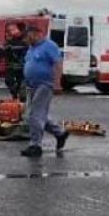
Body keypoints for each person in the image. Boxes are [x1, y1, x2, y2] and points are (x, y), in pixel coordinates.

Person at [20, 25, 69, 157]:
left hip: (44, 84)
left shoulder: (49, 46)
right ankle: (60, 133)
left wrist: (57, 83)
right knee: (34, 115)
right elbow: (29, 65)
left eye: (26, 37)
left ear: (34, 33)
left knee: (34, 115)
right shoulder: (31, 48)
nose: (25, 40)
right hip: (31, 86)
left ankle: (35, 145)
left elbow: (58, 64)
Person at [0, 22, 28, 99]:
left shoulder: (25, 41)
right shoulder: (10, 41)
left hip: (21, 67)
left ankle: (19, 95)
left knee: (19, 82)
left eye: (13, 29)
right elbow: (2, 52)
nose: (10, 32)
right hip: (12, 67)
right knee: (10, 81)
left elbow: (25, 49)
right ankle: (16, 94)